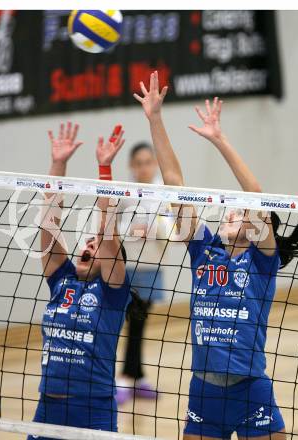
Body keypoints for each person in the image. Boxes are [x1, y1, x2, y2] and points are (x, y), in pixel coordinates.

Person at [134, 71, 298, 439]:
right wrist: (155, 119)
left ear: (256, 227)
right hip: (204, 392)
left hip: (250, 390)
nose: (231, 212)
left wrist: (219, 139)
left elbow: (253, 193)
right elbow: (174, 181)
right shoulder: (202, 249)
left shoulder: (261, 260)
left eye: (239, 212)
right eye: (229, 210)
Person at [30, 122, 142, 438]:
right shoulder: (61, 280)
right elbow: (48, 225)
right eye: (87, 242)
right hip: (48, 409)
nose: (89, 244)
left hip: (92, 410)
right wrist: (58, 164)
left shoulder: (112, 293)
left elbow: (108, 236)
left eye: (96, 245)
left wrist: (104, 168)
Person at [116, 142, 165, 404]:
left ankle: (135, 377)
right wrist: (134, 232)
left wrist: (158, 231)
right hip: (127, 269)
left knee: (139, 323)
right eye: (139, 163)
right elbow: (114, 229)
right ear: (131, 166)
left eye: (148, 161)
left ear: (155, 164)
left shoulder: (163, 191)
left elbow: (172, 228)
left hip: (152, 268)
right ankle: (125, 379)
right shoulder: (125, 193)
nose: (144, 167)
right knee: (130, 322)